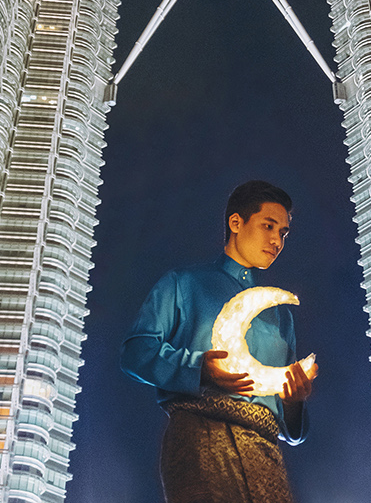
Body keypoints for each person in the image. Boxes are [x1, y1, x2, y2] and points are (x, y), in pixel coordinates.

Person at [121, 179, 317, 503]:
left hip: (265, 450)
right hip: (199, 436)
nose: (276, 240)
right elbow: (135, 351)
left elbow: (290, 424)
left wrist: (295, 402)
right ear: (236, 223)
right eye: (268, 226)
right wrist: (197, 368)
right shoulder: (183, 284)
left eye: (283, 233)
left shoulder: (280, 314)